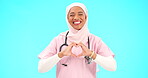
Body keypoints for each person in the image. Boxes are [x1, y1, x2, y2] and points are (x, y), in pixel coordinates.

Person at [38, 2, 117, 78]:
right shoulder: (58, 40)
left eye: (80, 14)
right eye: (72, 15)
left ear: (86, 17)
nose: (76, 18)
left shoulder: (95, 40)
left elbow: (112, 67)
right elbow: (41, 68)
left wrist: (91, 54)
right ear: (67, 18)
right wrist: (60, 55)